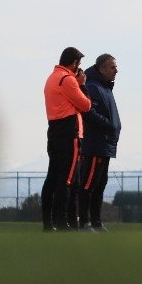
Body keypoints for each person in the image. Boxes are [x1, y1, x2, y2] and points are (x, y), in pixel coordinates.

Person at [41, 47, 92, 232]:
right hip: (69, 131)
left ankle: (48, 223)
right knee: (68, 179)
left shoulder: (51, 78)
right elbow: (86, 105)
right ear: (75, 64)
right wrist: (81, 84)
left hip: (53, 129)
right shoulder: (68, 79)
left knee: (52, 178)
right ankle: (63, 222)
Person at [76, 54, 122, 232]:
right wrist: (109, 126)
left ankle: (96, 222)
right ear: (102, 69)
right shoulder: (93, 87)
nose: (116, 70)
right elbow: (89, 112)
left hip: (106, 145)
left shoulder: (106, 88)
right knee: (88, 183)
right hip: (96, 144)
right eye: (112, 67)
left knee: (100, 183)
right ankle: (84, 223)